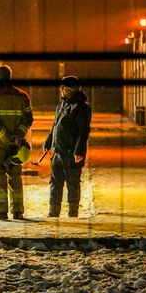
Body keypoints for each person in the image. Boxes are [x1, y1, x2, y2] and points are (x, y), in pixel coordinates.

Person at [0, 64, 33, 220]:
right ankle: (18, 211)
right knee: (15, 177)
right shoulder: (23, 96)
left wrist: (6, 137)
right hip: (16, 145)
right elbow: (28, 118)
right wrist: (17, 136)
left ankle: (0, 211)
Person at [42, 75, 91, 218]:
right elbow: (55, 126)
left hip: (71, 153)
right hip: (58, 151)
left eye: (63, 88)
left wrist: (79, 151)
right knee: (55, 182)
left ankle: (72, 212)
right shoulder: (61, 105)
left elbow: (83, 131)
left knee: (72, 182)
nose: (61, 90)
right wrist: (48, 142)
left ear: (71, 90)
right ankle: (53, 211)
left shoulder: (81, 107)